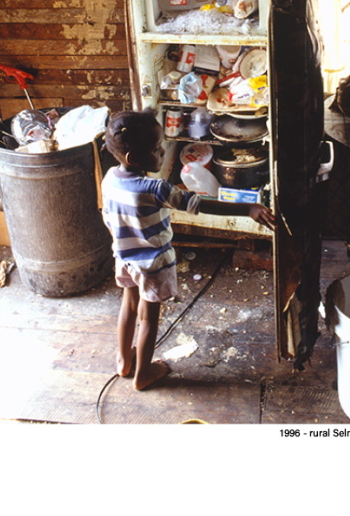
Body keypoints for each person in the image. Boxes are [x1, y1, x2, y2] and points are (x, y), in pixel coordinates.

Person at [101, 108, 274, 391]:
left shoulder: (110, 178)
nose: (161, 152)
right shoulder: (155, 188)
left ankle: (123, 362)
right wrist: (247, 208)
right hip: (152, 264)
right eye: (156, 149)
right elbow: (198, 204)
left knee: (128, 306)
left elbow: (108, 218)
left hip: (124, 258)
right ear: (133, 158)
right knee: (148, 318)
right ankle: (143, 373)